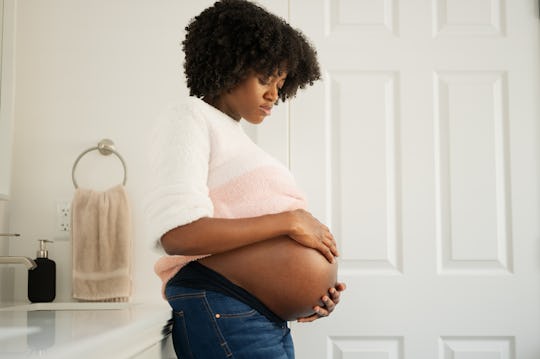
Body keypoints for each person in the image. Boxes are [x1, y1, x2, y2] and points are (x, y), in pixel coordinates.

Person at [145, 1, 346, 358]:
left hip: (256, 314)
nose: (274, 95)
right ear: (229, 65)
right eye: (266, 78)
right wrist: (289, 222)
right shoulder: (189, 118)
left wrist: (313, 294)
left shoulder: (234, 135)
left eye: (281, 83)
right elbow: (178, 234)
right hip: (225, 306)